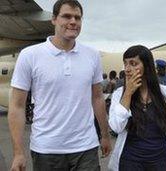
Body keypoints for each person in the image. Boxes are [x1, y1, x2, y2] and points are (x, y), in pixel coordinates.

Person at [8, 0, 111, 170]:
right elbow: (17, 106)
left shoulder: (92, 55)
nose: (73, 21)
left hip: (85, 148)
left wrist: (105, 135)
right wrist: (18, 153)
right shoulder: (30, 55)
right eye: (67, 16)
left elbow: (97, 98)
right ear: (54, 19)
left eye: (77, 17)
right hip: (46, 149)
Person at [108, 45, 166, 171]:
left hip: (160, 160)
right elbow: (116, 127)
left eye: (133, 64)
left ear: (147, 66)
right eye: (125, 64)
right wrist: (128, 93)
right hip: (131, 162)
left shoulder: (164, 92)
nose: (127, 69)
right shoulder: (119, 94)